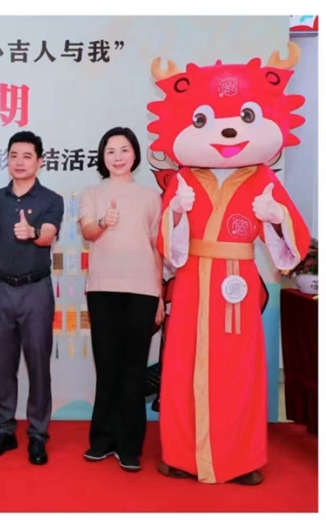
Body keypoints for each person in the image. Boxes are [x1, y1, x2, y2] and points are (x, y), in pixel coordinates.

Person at [149, 45, 311, 485]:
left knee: (239, 372)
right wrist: (176, 213)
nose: (226, 130)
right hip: (191, 284)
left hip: (236, 285)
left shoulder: (263, 178)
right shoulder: (183, 179)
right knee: (183, 368)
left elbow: (293, 247)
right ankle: (183, 454)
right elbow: (167, 246)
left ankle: (240, 458)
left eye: (243, 117)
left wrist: (276, 219)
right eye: (206, 119)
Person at [78, 126, 163, 472]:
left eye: (124, 150)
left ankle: (130, 446)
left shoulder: (151, 197)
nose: (118, 157)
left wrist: (160, 295)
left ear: (135, 154)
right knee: (107, 367)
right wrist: (104, 222)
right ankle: (102, 440)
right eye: (110, 151)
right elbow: (87, 232)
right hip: (103, 288)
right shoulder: (92, 193)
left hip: (143, 290)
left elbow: (157, 248)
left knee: (133, 369)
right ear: (102, 156)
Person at [0, 131, 64, 465]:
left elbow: (48, 235)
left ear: (40, 161)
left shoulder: (51, 199)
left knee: (38, 365)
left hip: (36, 291)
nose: (19, 162)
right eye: (14, 155)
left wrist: (33, 233)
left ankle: (38, 435)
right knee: (3, 365)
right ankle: (4, 430)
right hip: (0, 288)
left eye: (27, 156)